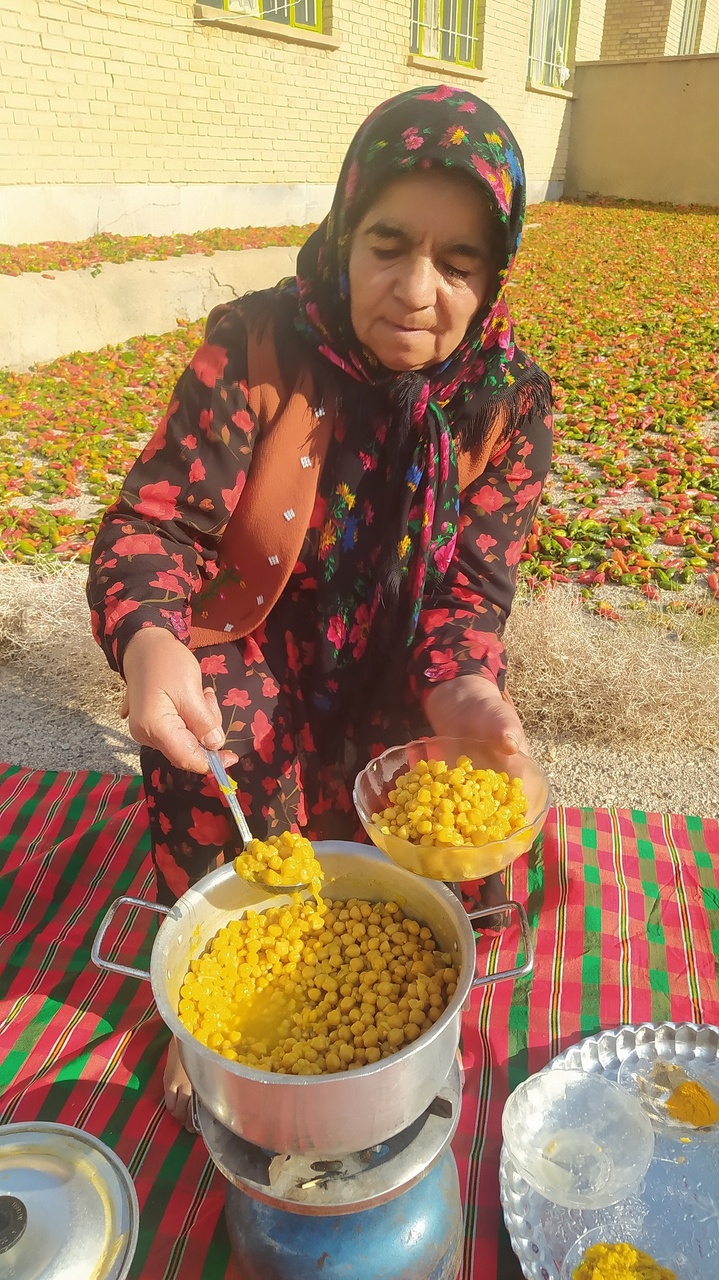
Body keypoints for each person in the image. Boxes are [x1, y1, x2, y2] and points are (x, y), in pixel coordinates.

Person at [87, 84, 553, 1127]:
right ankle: (210, 1015)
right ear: (344, 230)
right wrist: (151, 640)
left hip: (400, 664)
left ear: (491, 274)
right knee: (231, 754)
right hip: (254, 644)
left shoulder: (507, 403)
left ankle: (381, 1017)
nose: (415, 290)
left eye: (457, 262)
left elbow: (468, 591)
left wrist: (466, 687)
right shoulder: (255, 346)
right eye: (387, 243)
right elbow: (152, 527)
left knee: (441, 851)